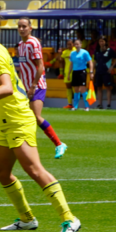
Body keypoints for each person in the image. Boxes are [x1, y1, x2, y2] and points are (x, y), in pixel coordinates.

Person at [0, 3, 81, 232]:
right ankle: (27, 219)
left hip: (17, 119)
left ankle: (69, 219)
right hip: (5, 122)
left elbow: (6, 87)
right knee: (1, 172)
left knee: (34, 169)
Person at [16, 18, 66, 157]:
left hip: (37, 85)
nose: (21, 29)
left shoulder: (34, 43)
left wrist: (32, 86)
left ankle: (59, 144)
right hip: (25, 87)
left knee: (36, 117)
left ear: (30, 28)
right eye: (19, 26)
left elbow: (40, 66)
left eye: (24, 26)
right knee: (24, 117)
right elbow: (23, 67)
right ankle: (22, 146)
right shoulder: (20, 44)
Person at [69, 39, 94, 111]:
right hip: (75, 72)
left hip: (82, 71)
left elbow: (90, 62)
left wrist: (91, 72)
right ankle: (75, 106)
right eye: (75, 44)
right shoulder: (72, 53)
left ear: (81, 44)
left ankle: (87, 106)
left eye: (78, 44)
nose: (76, 45)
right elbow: (71, 64)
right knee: (76, 90)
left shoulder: (85, 52)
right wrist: (68, 73)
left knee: (83, 89)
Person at [93, 36, 116, 109]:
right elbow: (95, 60)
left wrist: (112, 66)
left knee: (108, 88)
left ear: (105, 42)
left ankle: (108, 104)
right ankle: (100, 104)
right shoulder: (96, 51)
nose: (101, 43)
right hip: (98, 71)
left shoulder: (109, 50)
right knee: (99, 88)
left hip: (106, 71)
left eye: (103, 41)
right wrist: (92, 70)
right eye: (100, 41)